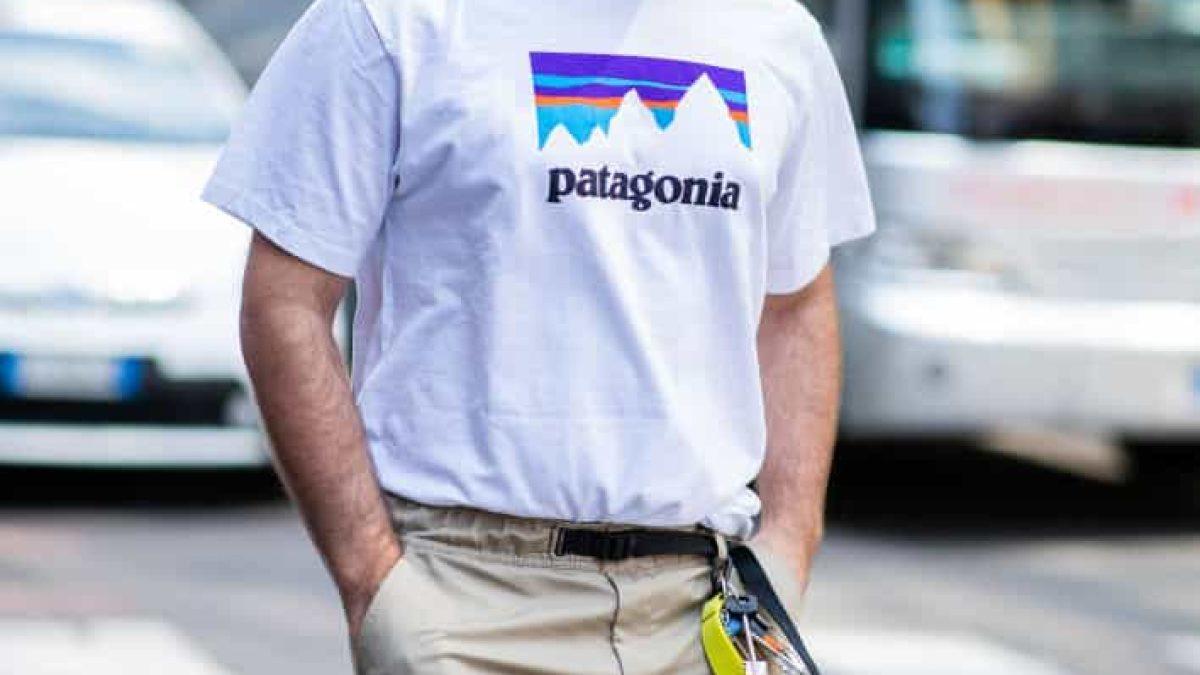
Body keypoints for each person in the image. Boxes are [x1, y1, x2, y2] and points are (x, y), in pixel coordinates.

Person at [202, 0, 874, 671]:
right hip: (466, 595)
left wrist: (789, 543)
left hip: (701, 602)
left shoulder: (777, 35)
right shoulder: (389, 19)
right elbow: (285, 301)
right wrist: (371, 577)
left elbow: (795, 302)